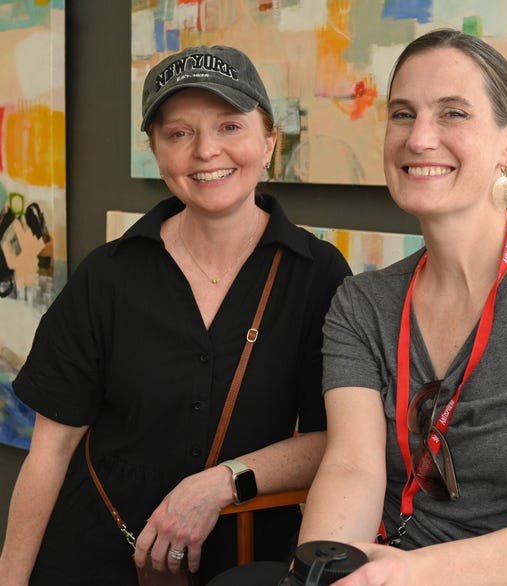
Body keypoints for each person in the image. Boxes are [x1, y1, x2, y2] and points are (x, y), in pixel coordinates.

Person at [209, 28, 507, 586]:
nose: (419, 138)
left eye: (453, 114)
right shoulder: (362, 302)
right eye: (402, 113)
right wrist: (322, 572)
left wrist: (411, 573)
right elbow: (352, 468)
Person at [0, 45, 351, 585]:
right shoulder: (108, 275)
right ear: (156, 151)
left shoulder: (317, 273)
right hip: (91, 554)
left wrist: (217, 483)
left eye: (230, 126)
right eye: (179, 133)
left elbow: (336, 440)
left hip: (242, 563)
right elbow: (52, 449)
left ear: (269, 142)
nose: (206, 151)